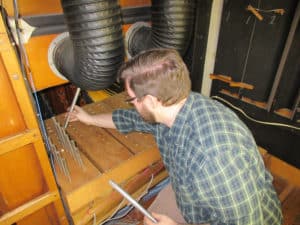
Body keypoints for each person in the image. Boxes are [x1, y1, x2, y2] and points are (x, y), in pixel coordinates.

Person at [68, 48, 283, 225]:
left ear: (151, 101)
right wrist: (90, 119)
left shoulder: (214, 158)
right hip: (194, 205)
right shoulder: (175, 107)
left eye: (131, 99)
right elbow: (133, 119)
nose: (132, 104)